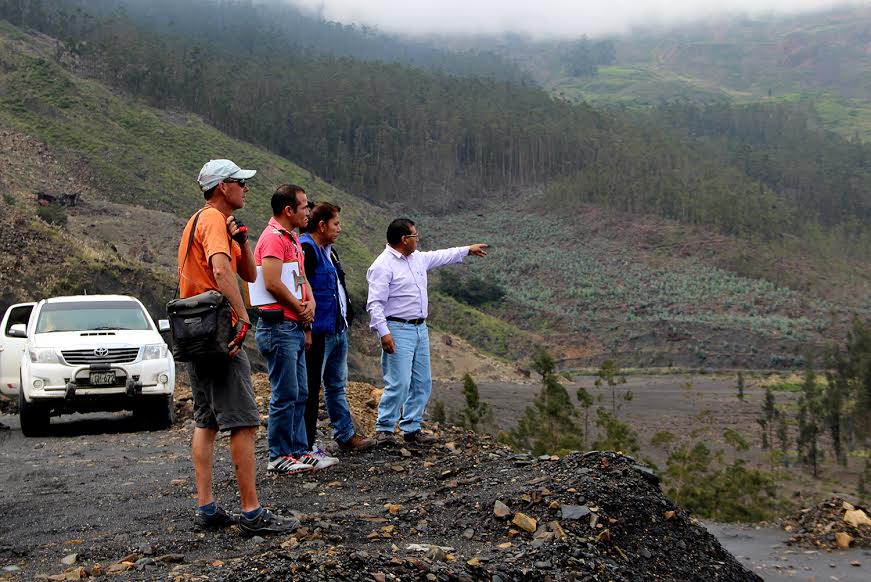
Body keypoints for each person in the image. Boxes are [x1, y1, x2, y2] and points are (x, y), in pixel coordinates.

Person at [180, 159, 297, 536]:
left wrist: (243, 240)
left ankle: (207, 507)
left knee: (206, 420)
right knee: (243, 421)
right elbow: (221, 270)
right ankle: (251, 511)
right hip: (218, 331)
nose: (246, 188)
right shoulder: (213, 219)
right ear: (221, 188)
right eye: (239, 183)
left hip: (194, 333)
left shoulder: (200, 221)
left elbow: (249, 272)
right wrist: (241, 315)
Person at [366, 218, 488, 444]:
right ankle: (384, 428)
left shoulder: (417, 259)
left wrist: (467, 250)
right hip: (397, 328)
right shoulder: (383, 265)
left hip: (420, 328)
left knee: (422, 381)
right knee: (399, 381)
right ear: (404, 240)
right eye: (414, 236)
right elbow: (374, 304)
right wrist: (384, 332)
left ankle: (412, 427)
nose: (418, 239)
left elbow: (441, 255)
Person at [254, 184, 335, 473]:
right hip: (279, 327)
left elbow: (299, 277)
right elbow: (272, 282)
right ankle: (278, 454)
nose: (308, 212)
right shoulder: (274, 240)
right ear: (288, 210)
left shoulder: (293, 239)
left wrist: (309, 301)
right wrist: (299, 307)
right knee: (285, 393)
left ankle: (300, 450)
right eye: (303, 207)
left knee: (300, 391)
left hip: (295, 327)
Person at [300, 203, 376, 454]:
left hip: (337, 329)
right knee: (310, 389)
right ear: (322, 225)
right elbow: (301, 290)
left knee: (336, 385)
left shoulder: (329, 252)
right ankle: (305, 444)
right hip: (319, 332)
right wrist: (307, 328)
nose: (339, 229)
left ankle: (345, 435)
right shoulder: (307, 249)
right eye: (336, 224)